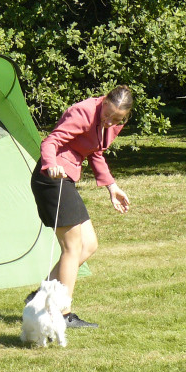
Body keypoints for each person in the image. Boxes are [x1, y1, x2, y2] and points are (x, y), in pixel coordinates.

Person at [31, 85, 133, 329]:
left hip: (67, 179)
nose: (109, 122)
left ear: (125, 117)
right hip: (52, 177)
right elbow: (51, 141)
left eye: (116, 119)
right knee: (73, 247)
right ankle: (63, 313)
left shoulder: (114, 124)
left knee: (89, 245)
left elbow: (95, 152)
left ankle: (40, 297)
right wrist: (51, 164)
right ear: (104, 101)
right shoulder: (84, 112)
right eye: (107, 115)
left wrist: (112, 187)